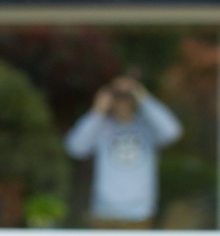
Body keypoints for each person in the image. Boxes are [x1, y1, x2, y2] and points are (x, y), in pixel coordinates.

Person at [64, 76, 183, 229]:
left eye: (128, 96)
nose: (123, 101)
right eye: (117, 96)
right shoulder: (101, 127)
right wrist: (97, 111)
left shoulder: (147, 128)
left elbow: (173, 132)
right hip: (104, 214)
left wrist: (144, 98)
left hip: (139, 214)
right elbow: (75, 148)